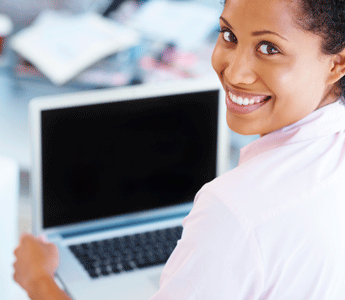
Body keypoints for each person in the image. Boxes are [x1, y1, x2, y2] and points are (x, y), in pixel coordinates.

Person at [13, 0, 345, 298]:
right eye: (229, 35)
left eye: (269, 48)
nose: (234, 72)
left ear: (337, 63)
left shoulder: (234, 209)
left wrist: (39, 279)